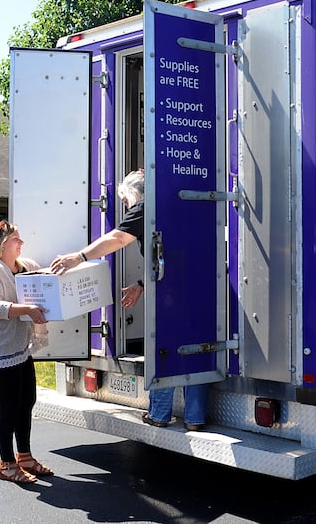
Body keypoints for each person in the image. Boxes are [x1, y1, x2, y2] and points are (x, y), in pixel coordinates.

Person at [50, 169, 208, 431]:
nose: (126, 206)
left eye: (124, 200)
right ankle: (195, 418)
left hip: (170, 294)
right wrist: (141, 284)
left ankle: (159, 413)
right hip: (198, 288)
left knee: (164, 349)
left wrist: (79, 257)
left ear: (134, 193)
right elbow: (171, 254)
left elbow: (118, 238)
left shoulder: (145, 205)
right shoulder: (177, 202)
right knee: (196, 347)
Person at [0, 220, 53, 484]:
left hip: (18, 350)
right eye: (16, 239)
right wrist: (27, 309)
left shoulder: (21, 266)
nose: (21, 243)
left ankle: (25, 457)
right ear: (1, 243)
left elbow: (42, 276)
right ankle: (6, 464)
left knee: (25, 404)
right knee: (8, 409)